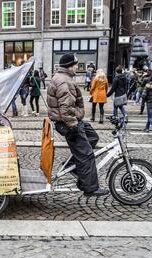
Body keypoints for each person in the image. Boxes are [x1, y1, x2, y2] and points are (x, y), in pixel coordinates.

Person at [47, 53, 109, 197]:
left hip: (74, 119)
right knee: (86, 154)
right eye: (75, 65)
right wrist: (73, 127)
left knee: (93, 137)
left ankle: (72, 165)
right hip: (70, 123)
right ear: (69, 66)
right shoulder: (65, 81)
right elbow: (66, 108)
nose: (77, 67)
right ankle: (90, 187)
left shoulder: (64, 78)